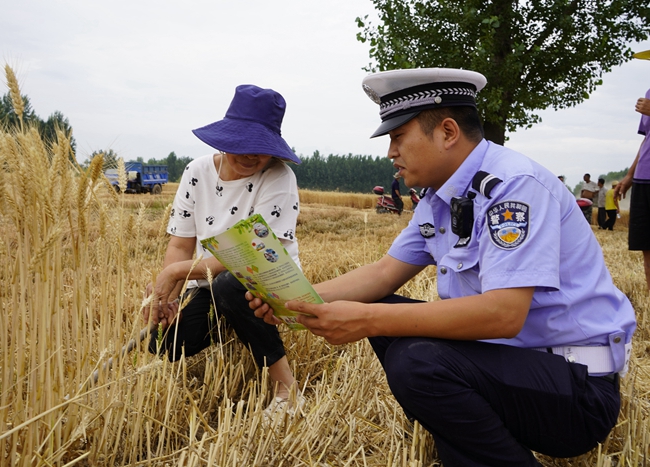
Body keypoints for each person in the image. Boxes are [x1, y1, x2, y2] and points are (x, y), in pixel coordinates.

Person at [249, 68, 635, 466]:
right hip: (518, 365)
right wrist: (292, 300)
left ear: (448, 132)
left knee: (417, 360)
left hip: (576, 386)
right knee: (393, 322)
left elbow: (503, 315)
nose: (390, 153)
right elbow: (383, 274)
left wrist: (366, 319)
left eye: (398, 137)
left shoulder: (512, 187)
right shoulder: (440, 198)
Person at [143, 84, 305, 420]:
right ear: (226, 138)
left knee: (231, 285)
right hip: (207, 281)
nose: (250, 155)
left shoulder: (279, 177)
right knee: (164, 341)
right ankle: (234, 322)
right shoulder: (197, 172)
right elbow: (180, 243)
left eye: (259, 148)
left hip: (272, 280)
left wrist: (176, 274)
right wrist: (170, 298)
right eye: (242, 145)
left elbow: (254, 253)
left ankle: (286, 389)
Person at [616, 71, 650, 289]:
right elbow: (647, 138)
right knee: (646, 240)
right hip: (643, 178)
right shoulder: (649, 94)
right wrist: (629, 175)